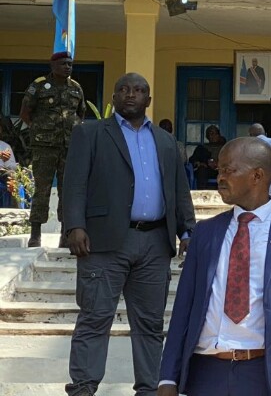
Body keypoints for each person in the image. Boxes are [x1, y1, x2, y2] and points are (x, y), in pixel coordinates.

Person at [62, 73, 196, 396]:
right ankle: (83, 387)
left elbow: (179, 190)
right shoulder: (90, 133)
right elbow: (74, 183)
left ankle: (149, 389)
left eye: (138, 90)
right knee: (95, 317)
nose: (130, 94)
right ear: (113, 98)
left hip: (155, 243)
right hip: (103, 241)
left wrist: (187, 230)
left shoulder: (166, 141)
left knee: (150, 323)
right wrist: (74, 226)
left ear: (148, 99)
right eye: (123, 90)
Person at [158, 137, 271, 396]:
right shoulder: (205, 233)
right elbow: (183, 308)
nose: (220, 177)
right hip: (205, 373)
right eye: (219, 170)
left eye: (228, 170)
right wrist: (167, 377)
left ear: (257, 176)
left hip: (262, 374)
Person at [19, 52, 85, 247]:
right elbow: (25, 113)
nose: (67, 67)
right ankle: (35, 234)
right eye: (63, 64)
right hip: (44, 147)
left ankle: (65, 235)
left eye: (70, 64)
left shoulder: (76, 88)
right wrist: (39, 130)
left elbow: (80, 114)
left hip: (68, 147)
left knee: (67, 191)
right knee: (42, 190)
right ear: (53, 65)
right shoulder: (39, 86)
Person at [189, 124, 226, 189]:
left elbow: (230, 161)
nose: (213, 136)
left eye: (216, 134)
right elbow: (192, 159)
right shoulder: (201, 148)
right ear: (208, 136)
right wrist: (199, 163)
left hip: (220, 170)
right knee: (202, 170)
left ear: (219, 135)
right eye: (211, 134)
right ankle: (202, 192)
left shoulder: (225, 148)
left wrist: (218, 165)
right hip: (207, 171)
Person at [0, 137, 17, 208]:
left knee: (11, 183)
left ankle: (8, 209)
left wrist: (6, 160)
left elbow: (13, 167)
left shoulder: (5, 146)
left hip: (1, 176)